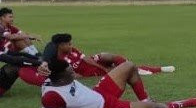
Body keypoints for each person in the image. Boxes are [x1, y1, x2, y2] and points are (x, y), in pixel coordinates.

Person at [40, 59, 196, 108]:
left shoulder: (54, 77)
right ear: (60, 77)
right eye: (69, 71)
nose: (73, 71)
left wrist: (43, 62)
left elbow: (48, 60)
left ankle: (145, 99)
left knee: (128, 66)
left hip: (99, 92)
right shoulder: (51, 95)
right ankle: (180, 104)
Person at [42, 33, 174, 78]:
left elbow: (86, 58)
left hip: (94, 63)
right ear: (60, 45)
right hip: (90, 72)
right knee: (123, 71)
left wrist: (101, 66)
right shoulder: (58, 61)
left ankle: (136, 68)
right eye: (68, 44)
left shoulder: (73, 50)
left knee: (107, 55)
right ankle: (158, 69)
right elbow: (72, 75)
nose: (71, 46)